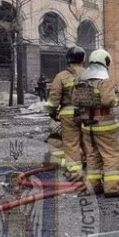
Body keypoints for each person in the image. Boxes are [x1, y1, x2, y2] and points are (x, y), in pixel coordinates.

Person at [77, 49, 119, 198]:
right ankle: (111, 188)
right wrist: (117, 98)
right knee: (111, 155)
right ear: (105, 62)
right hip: (104, 124)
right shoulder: (104, 81)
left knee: (93, 156)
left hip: (87, 125)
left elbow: (76, 101)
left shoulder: (83, 80)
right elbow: (108, 101)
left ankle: (94, 186)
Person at [46, 47, 87, 177]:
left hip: (69, 116)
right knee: (88, 141)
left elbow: (54, 96)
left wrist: (52, 111)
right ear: (83, 59)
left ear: (68, 59)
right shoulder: (90, 74)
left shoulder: (61, 76)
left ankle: (75, 172)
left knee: (71, 144)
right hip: (88, 115)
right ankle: (93, 169)